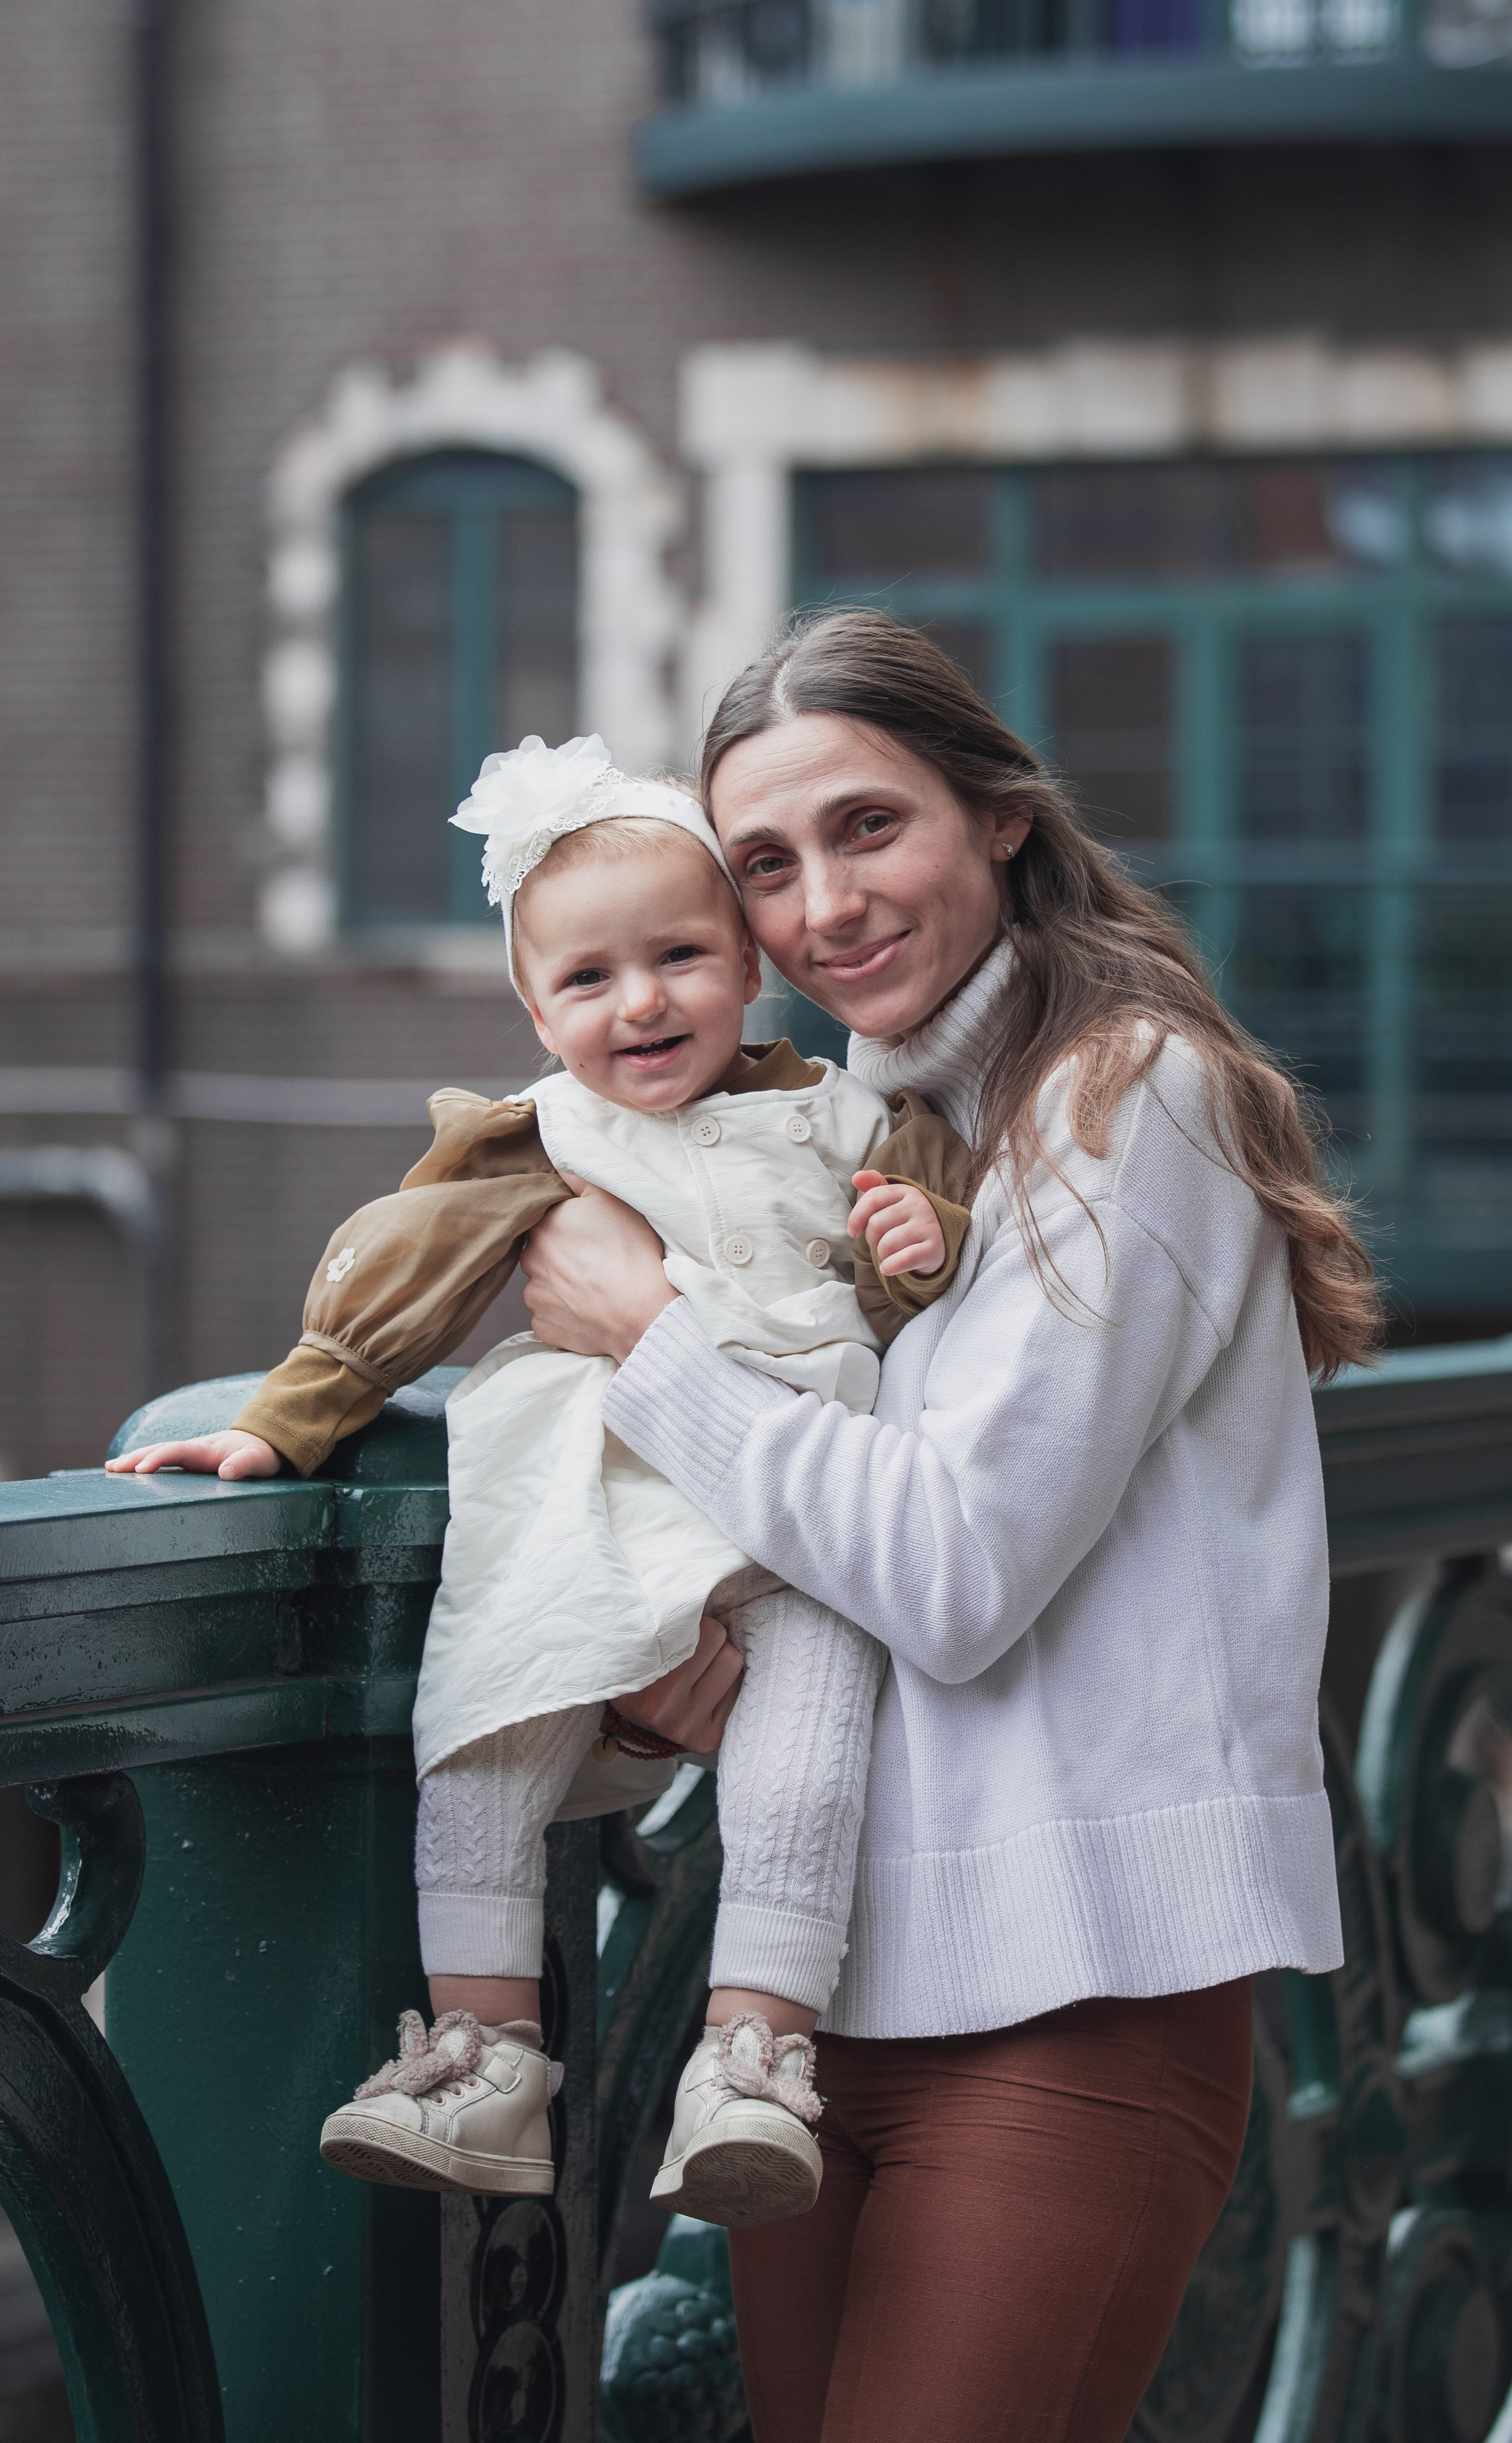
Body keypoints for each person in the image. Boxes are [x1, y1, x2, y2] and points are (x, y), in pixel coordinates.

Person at [513, 612, 1382, 2443]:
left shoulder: (1128, 1097)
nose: (823, 901)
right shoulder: (843, 1138)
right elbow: (813, 1546)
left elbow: (958, 1573)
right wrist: (685, 1662)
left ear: (996, 816)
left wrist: (645, 1337)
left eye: (867, 826)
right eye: (767, 865)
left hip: (1077, 1998)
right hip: (814, 2016)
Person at [109, 732, 973, 2229]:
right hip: (594, 1504)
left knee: (806, 1760)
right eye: (586, 980)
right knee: (489, 1731)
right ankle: (483, 2056)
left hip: (801, 1513)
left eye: (681, 958)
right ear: (532, 1008)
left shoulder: (847, 1117)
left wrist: (921, 1248)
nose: (640, 1003)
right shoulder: (538, 1140)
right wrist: (280, 1427)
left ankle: (749, 2056)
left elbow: (916, 1298)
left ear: (747, 967)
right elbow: (399, 1286)